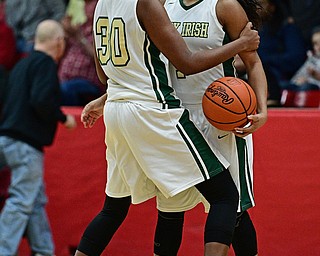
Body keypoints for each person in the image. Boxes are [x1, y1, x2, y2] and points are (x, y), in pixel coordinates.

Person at [74, 0, 260, 255]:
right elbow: (186, 62)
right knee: (225, 197)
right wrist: (241, 44)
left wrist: (107, 96)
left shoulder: (101, 4)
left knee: (115, 208)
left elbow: (105, 74)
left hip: (119, 110)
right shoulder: (150, 4)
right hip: (153, 111)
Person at [155, 0, 268, 255]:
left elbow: (253, 62)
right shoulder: (163, 5)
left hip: (221, 117)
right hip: (178, 117)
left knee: (234, 210)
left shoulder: (224, 6)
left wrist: (263, 110)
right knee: (170, 209)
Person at [0, 20, 77, 256]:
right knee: (22, 201)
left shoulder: (21, 65)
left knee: (34, 201)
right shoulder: (45, 64)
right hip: (26, 145)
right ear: (59, 41)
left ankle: (43, 251)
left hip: (6, 139)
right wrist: (63, 118)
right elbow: (41, 100)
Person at [257, 0, 306, 107]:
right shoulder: (254, 29)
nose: (256, 8)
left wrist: (261, 60)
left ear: (272, 6)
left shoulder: (288, 28)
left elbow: (295, 59)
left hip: (282, 80)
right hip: (258, 78)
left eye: (260, 4)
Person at [59, 0, 104, 106]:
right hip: (64, 79)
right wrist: (65, 33)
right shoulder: (76, 7)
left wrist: (79, 37)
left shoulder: (99, 28)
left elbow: (100, 59)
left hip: (89, 83)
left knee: (65, 89)